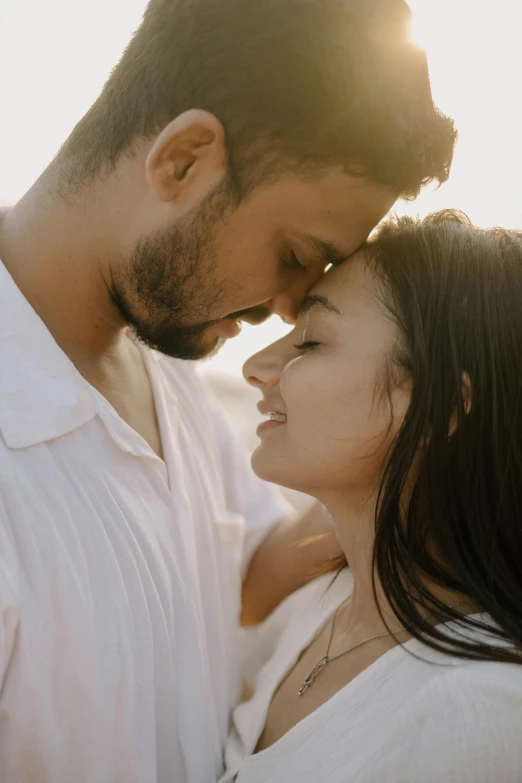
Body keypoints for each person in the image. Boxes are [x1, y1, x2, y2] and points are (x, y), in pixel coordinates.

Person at [0, 0, 456, 780]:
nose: (290, 307)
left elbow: (246, 576)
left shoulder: (169, 368)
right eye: (293, 254)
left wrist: (432, 445)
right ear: (182, 160)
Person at [223, 211, 522, 782]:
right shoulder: (311, 613)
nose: (256, 368)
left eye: (309, 342)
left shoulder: (481, 717)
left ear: (438, 406)